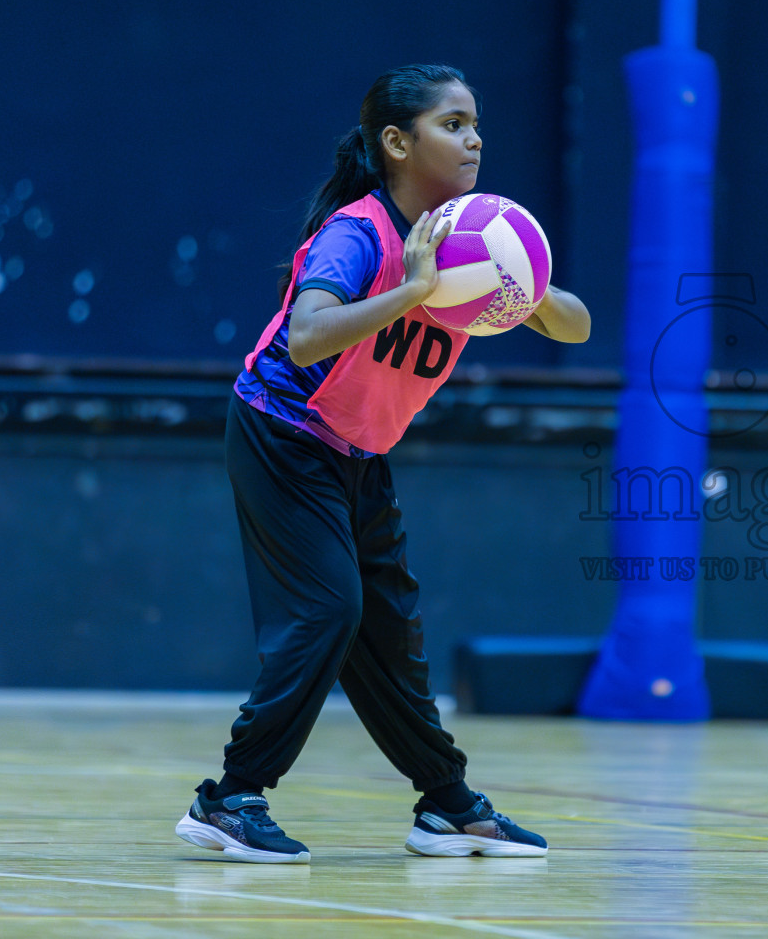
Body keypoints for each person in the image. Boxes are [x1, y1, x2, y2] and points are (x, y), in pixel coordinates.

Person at [175, 63, 591, 864]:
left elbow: (571, 326)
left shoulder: (480, 235)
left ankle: (447, 805)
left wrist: (525, 284)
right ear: (398, 142)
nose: (473, 140)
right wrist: (413, 288)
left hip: (360, 451)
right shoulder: (357, 232)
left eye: (475, 125)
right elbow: (306, 334)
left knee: (391, 635)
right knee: (329, 610)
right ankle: (228, 800)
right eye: (452, 124)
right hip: (283, 430)